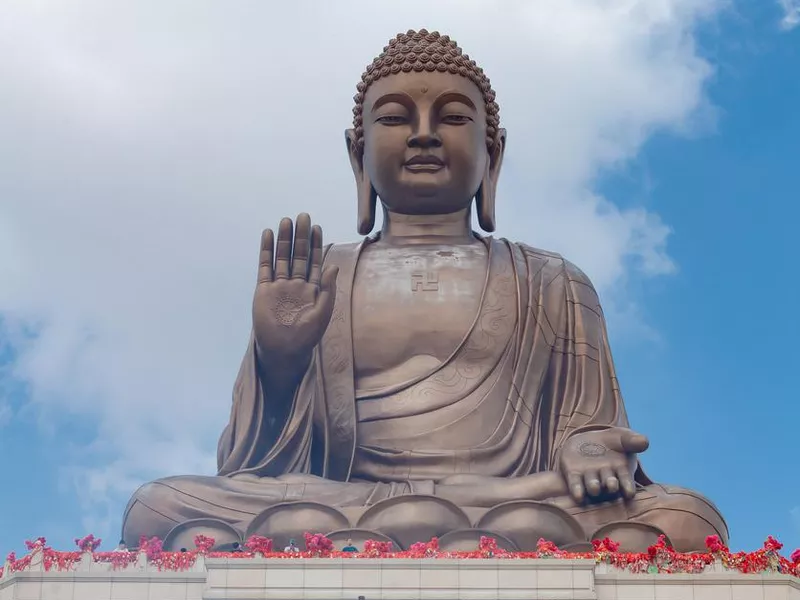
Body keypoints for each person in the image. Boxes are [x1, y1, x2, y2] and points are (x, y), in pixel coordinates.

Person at [121, 28, 727, 553]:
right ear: (358, 155)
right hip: (346, 499)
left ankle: (415, 531)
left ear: (493, 153)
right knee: (158, 506)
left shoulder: (552, 281)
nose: (424, 134)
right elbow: (254, 465)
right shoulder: (319, 277)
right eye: (393, 118)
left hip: (514, 496)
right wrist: (279, 362)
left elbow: (588, 428)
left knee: (685, 518)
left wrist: (589, 451)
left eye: (455, 117)